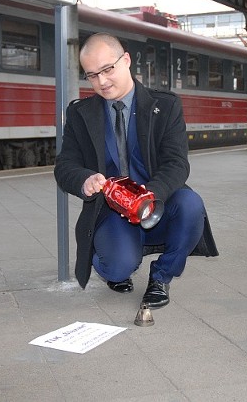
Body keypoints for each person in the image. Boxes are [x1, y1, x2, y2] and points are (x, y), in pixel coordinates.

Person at [54, 32, 218, 309]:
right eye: (92, 75)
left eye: (108, 69)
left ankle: (161, 276)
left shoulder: (165, 105)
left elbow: (177, 163)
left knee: (191, 204)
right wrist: (84, 179)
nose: (102, 82)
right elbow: (65, 166)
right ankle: (115, 262)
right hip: (109, 210)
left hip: (158, 200)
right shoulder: (80, 114)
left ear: (126, 60)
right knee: (118, 269)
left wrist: (147, 198)